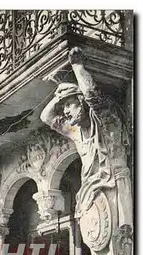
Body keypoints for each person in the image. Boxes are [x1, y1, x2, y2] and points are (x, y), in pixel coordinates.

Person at [40, 46, 132, 228]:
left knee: (122, 244)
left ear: (81, 101)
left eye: (69, 104)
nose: (65, 112)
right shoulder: (76, 132)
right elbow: (46, 117)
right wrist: (60, 94)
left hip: (115, 188)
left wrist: (78, 68)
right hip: (92, 193)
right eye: (63, 107)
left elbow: (92, 95)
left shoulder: (105, 122)